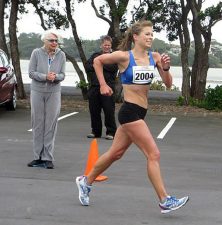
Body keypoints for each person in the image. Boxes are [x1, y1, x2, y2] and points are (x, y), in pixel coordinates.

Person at [75, 20, 189, 213]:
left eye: (152, 34)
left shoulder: (155, 57)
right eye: (147, 34)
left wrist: (167, 69)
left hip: (140, 113)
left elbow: (168, 84)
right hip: (129, 112)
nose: (150, 37)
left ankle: (86, 181)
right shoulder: (124, 57)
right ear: (135, 37)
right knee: (153, 154)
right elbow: (97, 61)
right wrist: (103, 84)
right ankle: (164, 200)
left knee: (115, 154)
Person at [27, 30, 66, 169]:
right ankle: (37, 157)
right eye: (51, 41)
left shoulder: (61, 55)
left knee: (51, 124)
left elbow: (63, 74)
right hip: (37, 91)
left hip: (54, 92)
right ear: (45, 41)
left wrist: (55, 77)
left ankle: (47, 157)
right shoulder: (36, 53)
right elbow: (31, 73)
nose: (54, 43)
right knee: (37, 123)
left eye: (56, 41)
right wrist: (45, 76)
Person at [85, 35, 118, 140]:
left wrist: (98, 64)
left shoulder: (114, 56)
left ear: (111, 45)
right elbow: (88, 66)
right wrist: (98, 65)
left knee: (109, 110)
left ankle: (111, 132)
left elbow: (113, 68)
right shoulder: (95, 55)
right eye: (105, 45)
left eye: (108, 45)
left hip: (108, 88)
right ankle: (95, 131)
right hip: (94, 87)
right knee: (94, 110)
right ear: (101, 45)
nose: (107, 47)